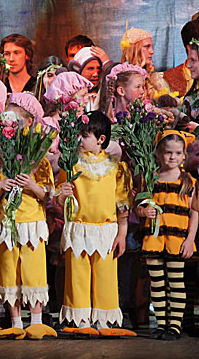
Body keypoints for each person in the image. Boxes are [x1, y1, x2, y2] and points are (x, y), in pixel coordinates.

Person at [56, 111, 134, 335]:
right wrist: (63, 194)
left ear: (101, 139)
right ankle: (80, 320)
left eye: (84, 135)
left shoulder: (116, 167)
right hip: (79, 228)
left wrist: (122, 234)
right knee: (77, 276)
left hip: (105, 230)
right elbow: (59, 198)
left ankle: (104, 320)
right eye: (78, 135)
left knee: (105, 275)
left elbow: (122, 205)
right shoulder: (71, 165)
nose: (79, 140)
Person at [0, 97, 56, 336]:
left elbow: (47, 195)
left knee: (33, 271)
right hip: (6, 222)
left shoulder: (38, 161)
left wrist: (32, 185)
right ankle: (15, 322)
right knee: (8, 271)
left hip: (32, 222)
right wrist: (0, 187)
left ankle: (36, 321)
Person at [137, 130, 198, 340]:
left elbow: (195, 212)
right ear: (159, 153)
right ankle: (161, 324)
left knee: (176, 281)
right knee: (157, 282)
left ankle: (175, 326)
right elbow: (138, 207)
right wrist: (144, 211)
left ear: (184, 155)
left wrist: (190, 239)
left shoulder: (188, 181)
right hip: (154, 239)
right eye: (168, 152)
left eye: (178, 153)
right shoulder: (150, 178)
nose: (173, 157)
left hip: (177, 239)